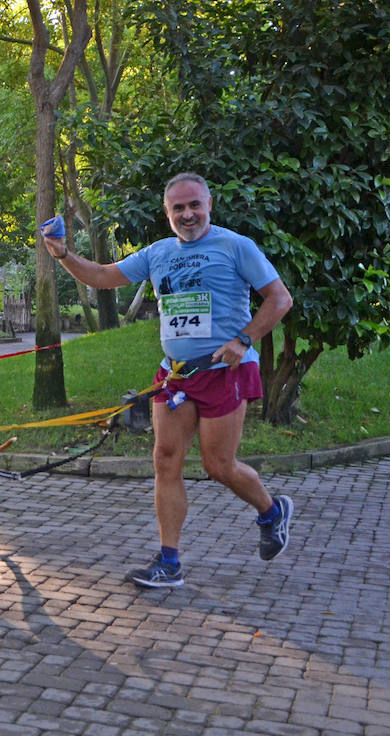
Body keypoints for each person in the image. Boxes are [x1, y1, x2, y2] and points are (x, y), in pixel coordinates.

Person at [39, 173, 295, 588]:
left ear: (209, 204)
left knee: (218, 465)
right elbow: (103, 275)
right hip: (175, 374)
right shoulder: (159, 253)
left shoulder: (236, 247)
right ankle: (169, 562)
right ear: (167, 212)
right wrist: (64, 253)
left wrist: (244, 339)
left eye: (194, 205)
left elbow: (280, 299)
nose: (187, 214)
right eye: (178, 208)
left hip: (224, 371)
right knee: (165, 460)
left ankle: (271, 512)